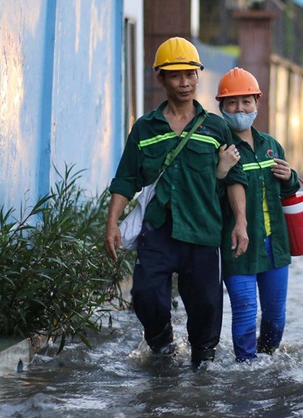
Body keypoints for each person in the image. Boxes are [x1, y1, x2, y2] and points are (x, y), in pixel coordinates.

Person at [104, 37, 249, 366]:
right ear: (161, 80)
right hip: (158, 231)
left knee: (206, 307)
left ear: (198, 76)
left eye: (190, 74)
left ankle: (203, 364)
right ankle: (161, 342)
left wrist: (240, 222)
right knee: (144, 295)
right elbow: (126, 178)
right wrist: (111, 222)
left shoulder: (215, 128)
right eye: (175, 76)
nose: (184, 82)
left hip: (202, 230)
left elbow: (235, 180)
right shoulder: (145, 128)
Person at [215, 67, 300, 362]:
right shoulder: (219, 148)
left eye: (246, 102)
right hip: (237, 245)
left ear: (257, 104)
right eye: (232, 103)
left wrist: (290, 176)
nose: (240, 109)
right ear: (222, 108)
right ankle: (246, 371)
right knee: (245, 311)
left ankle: (266, 363)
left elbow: (289, 192)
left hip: (274, 245)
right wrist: (220, 170)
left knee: (275, 319)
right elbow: (206, 194)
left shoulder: (271, 145)